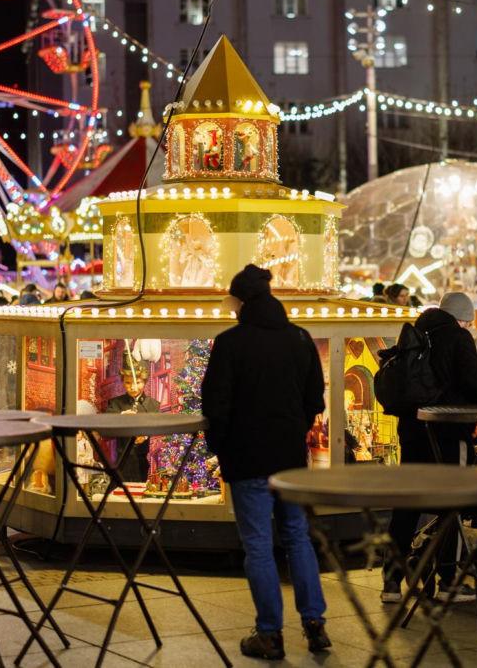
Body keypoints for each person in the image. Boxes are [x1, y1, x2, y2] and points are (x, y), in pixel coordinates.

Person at [201, 264, 331, 660]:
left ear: (242, 301)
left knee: (257, 544)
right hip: (290, 460)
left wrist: (222, 448)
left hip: (248, 459)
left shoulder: (230, 343)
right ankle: (315, 624)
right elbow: (315, 400)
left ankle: (270, 634)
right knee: (297, 537)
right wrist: (294, 429)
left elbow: (215, 404)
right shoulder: (299, 338)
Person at [381, 291, 477, 604]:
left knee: (407, 505)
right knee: (451, 505)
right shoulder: (458, 338)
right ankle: (450, 581)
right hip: (450, 434)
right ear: (461, 318)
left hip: (413, 431)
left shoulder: (414, 333)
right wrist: (476, 416)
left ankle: (391, 583)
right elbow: (475, 384)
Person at [103, 349, 160, 482]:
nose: (133, 387)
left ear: (145, 382)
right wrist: (121, 416)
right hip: (120, 464)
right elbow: (106, 423)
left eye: (138, 382)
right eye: (128, 383)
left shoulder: (153, 405)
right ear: (123, 381)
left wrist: (145, 435)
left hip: (141, 464)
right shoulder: (116, 404)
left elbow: (157, 426)